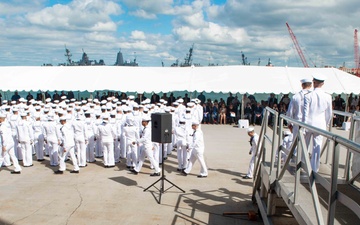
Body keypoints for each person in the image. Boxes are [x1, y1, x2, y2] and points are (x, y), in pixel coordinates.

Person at [303, 74, 332, 173]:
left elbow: (305, 113)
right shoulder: (328, 96)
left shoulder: (308, 95)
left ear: (314, 83)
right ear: (323, 84)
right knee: (317, 147)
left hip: (309, 123)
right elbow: (329, 113)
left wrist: (303, 125)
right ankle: (314, 168)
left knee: (305, 145)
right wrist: (326, 123)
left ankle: (304, 165)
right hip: (320, 124)